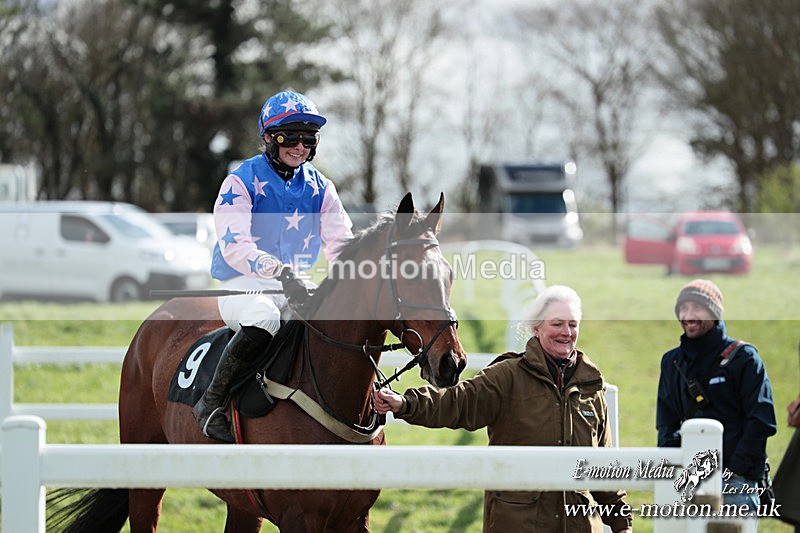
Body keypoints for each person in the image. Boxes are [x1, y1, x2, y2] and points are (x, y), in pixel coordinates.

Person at [373, 285, 633, 532]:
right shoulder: (507, 376)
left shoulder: (591, 387)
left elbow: (602, 467)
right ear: (536, 328)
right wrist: (406, 403)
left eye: (572, 324)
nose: (566, 332)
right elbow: (457, 403)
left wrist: (623, 525)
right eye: (557, 324)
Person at [193, 89, 353, 442]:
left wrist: (356, 275)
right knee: (264, 317)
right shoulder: (240, 180)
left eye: (308, 139)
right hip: (243, 284)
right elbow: (235, 246)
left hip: (297, 287)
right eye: (290, 137)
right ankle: (212, 401)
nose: (300, 147)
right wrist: (279, 271)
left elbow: (341, 242)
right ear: (269, 137)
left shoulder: (322, 187)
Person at [656, 279, 777, 516]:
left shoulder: (744, 358)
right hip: (690, 479)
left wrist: (735, 471)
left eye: (697, 308)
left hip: (736, 483)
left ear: (714, 313)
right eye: (683, 308)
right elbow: (666, 424)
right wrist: (675, 471)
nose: (688, 315)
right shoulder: (671, 362)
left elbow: (762, 421)